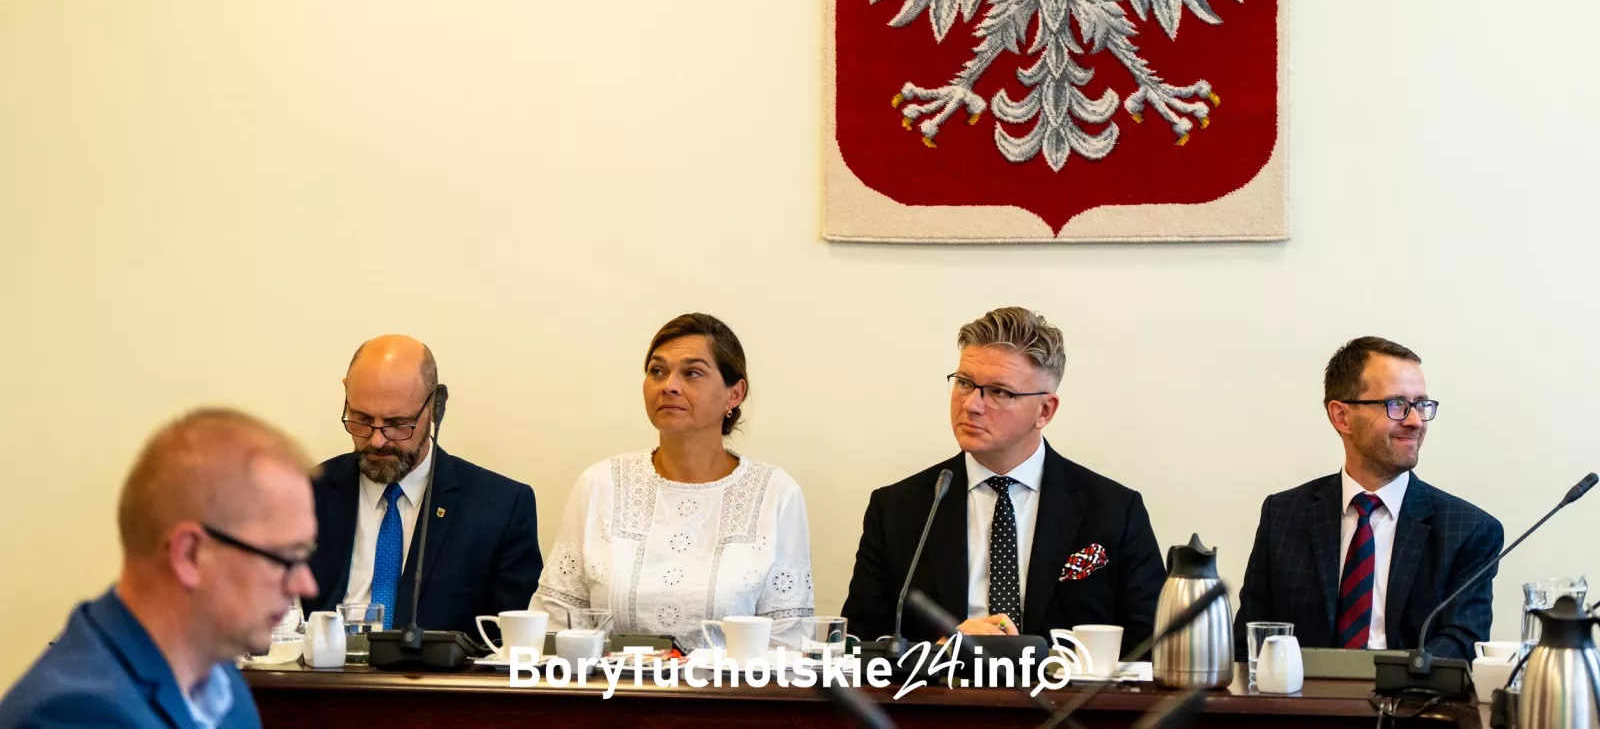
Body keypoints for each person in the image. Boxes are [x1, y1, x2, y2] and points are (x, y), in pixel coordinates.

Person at [842, 307, 1163, 653]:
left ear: (1045, 411)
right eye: (964, 383)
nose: (971, 405)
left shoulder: (1114, 511)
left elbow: (1151, 648)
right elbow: (857, 647)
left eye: (999, 392)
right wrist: (937, 653)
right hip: (942, 686)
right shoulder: (898, 509)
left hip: (1064, 686)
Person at [0, 409, 318, 729]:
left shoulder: (221, 681)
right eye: (283, 559)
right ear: (190, 554)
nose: (306, 585)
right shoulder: (75, 714)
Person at [532, 313, 814, 650]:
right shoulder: (600, 484)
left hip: (733, 684)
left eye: (692, 373)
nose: (669, 385)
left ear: (734, 394)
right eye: (657, 371)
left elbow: (788, 642)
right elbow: (555, 623)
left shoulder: (775, 492)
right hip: (611, 682)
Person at [1235, 336, 1503, 659]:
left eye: (1421, 405)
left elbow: (1461, 647)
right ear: (1342, 417)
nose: (1415, 421)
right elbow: (1249, 643)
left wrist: (1387, 681)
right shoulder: (1283, 516)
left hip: (1410, 692)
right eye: (1397, 404)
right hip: (1302, 691)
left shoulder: (1468, 531)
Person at [303, 335, 541, 635]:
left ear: (436, 407)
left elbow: (512, 642)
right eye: (361, 419)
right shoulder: (305, 493)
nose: (377, 440)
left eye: (397, 423)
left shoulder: (501, 508)